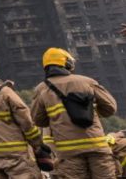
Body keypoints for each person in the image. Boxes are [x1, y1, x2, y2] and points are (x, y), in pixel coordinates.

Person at [31, 47, 118, 178]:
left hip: (68, 151)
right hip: (97, 146)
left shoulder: (41, 89)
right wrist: (93, 112)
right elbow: (110, 108)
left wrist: (57, 118)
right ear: (67, 63)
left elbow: (38, 120)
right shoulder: (87, 81)